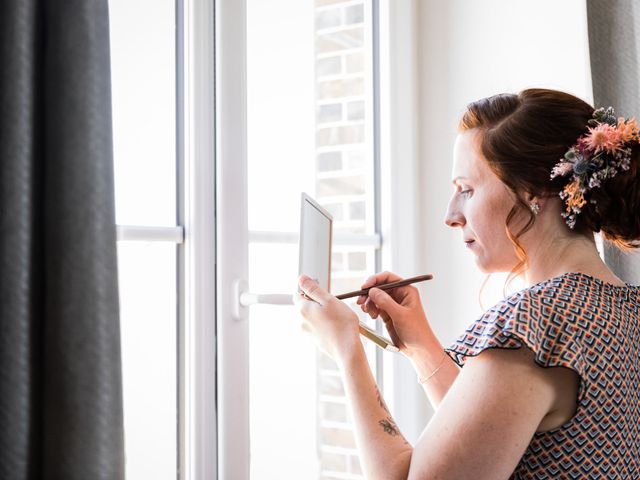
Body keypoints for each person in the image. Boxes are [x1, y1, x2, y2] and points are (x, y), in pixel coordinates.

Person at [294, 88, 640, 479]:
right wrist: (420, 345)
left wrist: (346, 350)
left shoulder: (533, 324)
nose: (451, 215)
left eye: (467, 190)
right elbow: (492, 437)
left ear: (533, 193)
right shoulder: (626, 307)